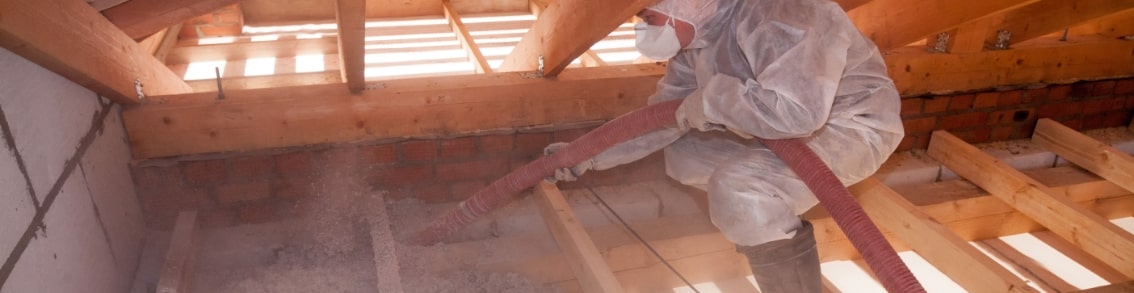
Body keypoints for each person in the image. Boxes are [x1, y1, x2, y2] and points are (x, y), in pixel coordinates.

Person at [544, 0, 904, 291]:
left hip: (850, 126)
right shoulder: (699, 41)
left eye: (647, 15)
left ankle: (779, 254)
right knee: (687, 154)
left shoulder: (781, 9)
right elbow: (660, 119)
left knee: (739, 190)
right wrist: (587, 155)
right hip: (780, 128)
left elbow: (798, 112)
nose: (642, 27)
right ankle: (766, 224)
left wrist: (713, 103)